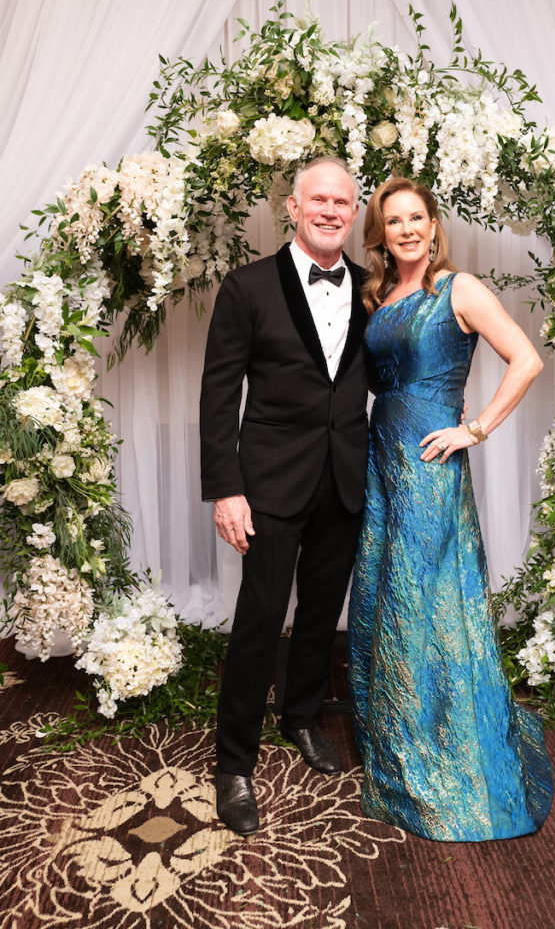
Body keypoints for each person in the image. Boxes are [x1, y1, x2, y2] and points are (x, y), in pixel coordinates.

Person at [348, 176, 553, 841]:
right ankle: (399, 730)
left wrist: (476, 427)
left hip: (431, 467)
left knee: (427, 598)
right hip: (383, 458)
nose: (406, 229)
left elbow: (525, 360)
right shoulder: (379, 294)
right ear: (380, 232)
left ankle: (437, 750)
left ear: (434, 225)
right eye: (393, 220)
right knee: (389, 592)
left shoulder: (458, 289)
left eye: (416, 217)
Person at [200, 157, 368, 836]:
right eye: (318, 200)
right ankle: (233, 762)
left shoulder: (370, 286)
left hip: (346, 475)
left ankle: (300, 716)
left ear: (353, 214)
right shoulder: (245, 287)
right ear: (293, 208)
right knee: (261, 615)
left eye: (343, 202)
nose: (330, 211)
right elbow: (218, 393)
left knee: (323, 610)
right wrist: (225, 490)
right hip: (268, 482)